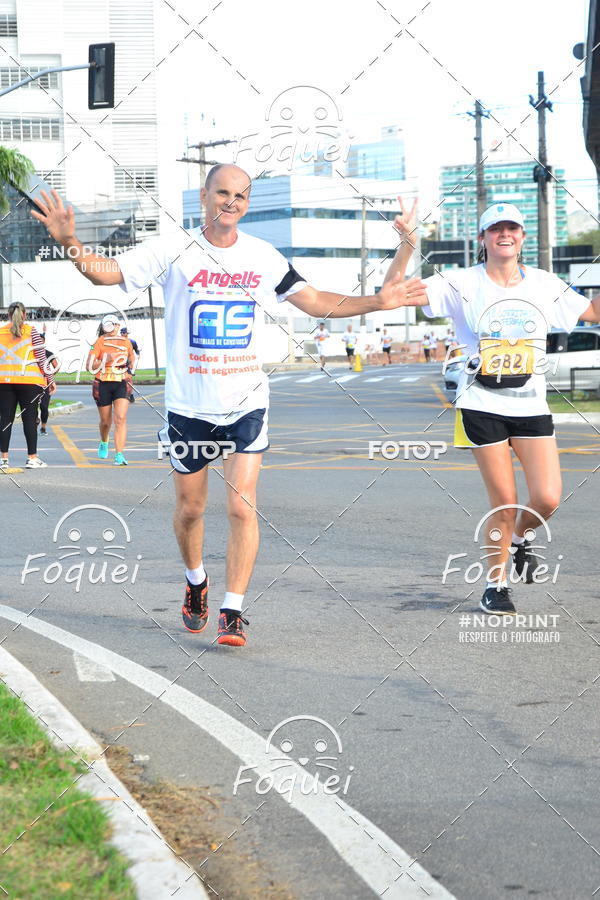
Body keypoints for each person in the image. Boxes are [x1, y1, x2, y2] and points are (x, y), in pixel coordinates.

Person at [32, 171, 426, 648]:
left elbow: (316, 301)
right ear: (204, 196)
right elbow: (106, 272)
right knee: (191, 509)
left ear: (247, 203)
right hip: (189, 406)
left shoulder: (263, 256)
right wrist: (70, 242)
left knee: (242, 506)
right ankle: (196, 580)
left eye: (241, 195)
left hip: (246, 403)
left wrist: (377, 301)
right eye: (223, 192)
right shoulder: (173, 249)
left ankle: (232, 610)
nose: (231, 202)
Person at [387, 200, 600, 615]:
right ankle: (496, 585)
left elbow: (591, 311)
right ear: (482, 238)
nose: (505, 234)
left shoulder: (544, 284)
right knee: (505, 499)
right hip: (480, 404)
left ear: (522, 237)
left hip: (531, 404)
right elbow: (393, 294)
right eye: (496, 228)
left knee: (548, 498)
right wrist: (408, 244)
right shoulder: (460, 282)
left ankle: (520, 539)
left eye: (512, 228)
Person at [0, 302, 55, 468]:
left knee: (5, 419)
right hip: (29, 383)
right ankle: (32, 458)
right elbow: (41, 358)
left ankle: (4, 460)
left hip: (4, 382)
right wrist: (50, 379)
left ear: (8, 315)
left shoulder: (1, 332)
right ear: (24, 315)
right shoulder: (32, 332)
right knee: (29, 420)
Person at [87, 314, 136, 466]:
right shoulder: (98, 342)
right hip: (103, 383)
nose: (112, 327)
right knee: (105, 422)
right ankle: (104, 441)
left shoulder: (126, 342)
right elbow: (89, 366)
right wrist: (104, 360)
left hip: (122, 382)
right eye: (109, 325)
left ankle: (119, 455)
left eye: (114, 324)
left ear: (118, 326)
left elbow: (132, 359)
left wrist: (130, 368)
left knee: (120, 418)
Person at [37, 332, 59, 435]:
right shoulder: (31, 353)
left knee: (44, 407)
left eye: (41, 341)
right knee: (32, 406)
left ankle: (43, 427)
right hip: (33, 384)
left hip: (46, 384)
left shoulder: (49, 354)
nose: (39, 343)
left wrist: (50, 375)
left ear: (44, 342)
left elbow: (56, 366)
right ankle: (35, 420)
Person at [120, 326, 140, 404]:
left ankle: (130, 395)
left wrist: (138, 354)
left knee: (128, 379)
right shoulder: (117, 341)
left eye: (124, 333)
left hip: (127, 363)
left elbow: (136, 350)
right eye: (122, 333)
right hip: (118, 363)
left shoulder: (132, 341)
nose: (123, 334)